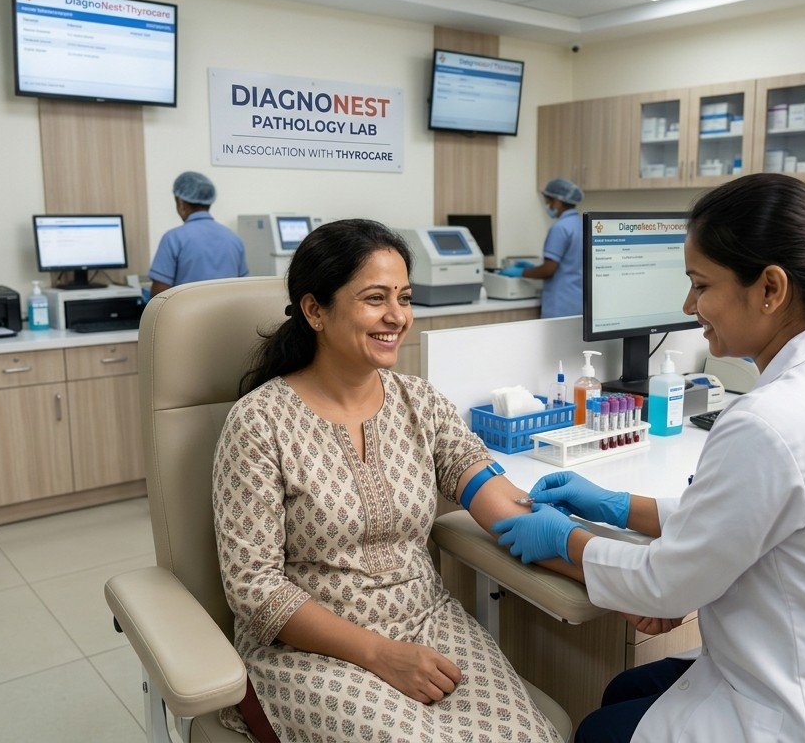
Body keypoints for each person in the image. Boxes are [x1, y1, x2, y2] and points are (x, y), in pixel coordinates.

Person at [490, 173, 805, 742]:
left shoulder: (772, 420)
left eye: (700, 284)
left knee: (600, 729)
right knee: (626, 691)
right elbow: (732, 519)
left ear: (770, 288)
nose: (688, 304)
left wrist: (563, 539)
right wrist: (618, 507)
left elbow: (669, 586)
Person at [213, 219, 562, 742]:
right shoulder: (259, 423)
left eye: (404, 297)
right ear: (315, 311)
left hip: (428, 624)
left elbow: (504, 508)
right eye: (375, 298)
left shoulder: (420, 403)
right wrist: (381, 655)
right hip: (311, 650)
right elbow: (253, 588)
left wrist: (614, 569)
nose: (397, 316)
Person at [147, 171, 248, 296]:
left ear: (180, 203)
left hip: (186, 315)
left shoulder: (173, 238)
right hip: (227, 315)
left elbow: (158, 296)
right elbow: (244, 288)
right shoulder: (234, 239)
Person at [501, 178, 583, 319]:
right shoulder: (580, 224)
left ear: (557, 202)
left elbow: (548, 270)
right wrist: (533, 267)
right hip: (577, 301)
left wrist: (521, 272)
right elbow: (570, 264)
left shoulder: (560, 228)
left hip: (560, 304)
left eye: (547, 201)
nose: (547, 206)